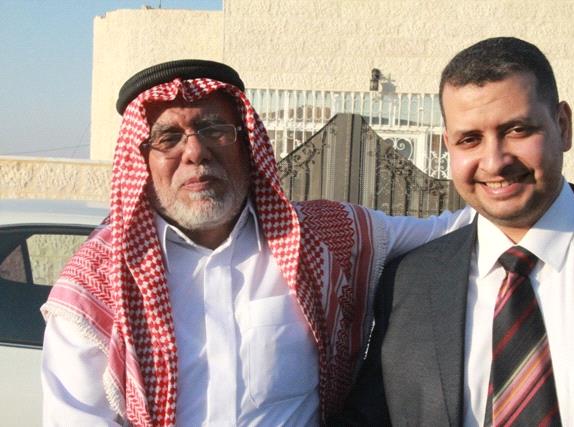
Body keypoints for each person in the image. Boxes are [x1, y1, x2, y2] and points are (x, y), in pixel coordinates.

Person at [39, 59, 476, 426]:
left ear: (246, 144)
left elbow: (457, 227)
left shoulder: (325, 236)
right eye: (168, 138)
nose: (195, 152)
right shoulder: (96, 283)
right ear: (142, 160)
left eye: (215, 129)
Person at [336, 37, 574, 426]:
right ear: (449, 146)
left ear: (562, 126)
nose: (494, 162)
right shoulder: (410, 283)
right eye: (470, 139)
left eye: (517, 130)